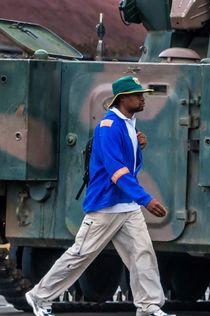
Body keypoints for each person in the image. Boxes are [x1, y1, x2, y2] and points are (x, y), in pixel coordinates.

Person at [24, 75, 172, 316]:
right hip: (106, 206)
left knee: (143, 255)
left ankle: (149, 307)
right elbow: (117, 171)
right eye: (137, 95)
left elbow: (130, 166)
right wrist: (146, 198)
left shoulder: (128, 124)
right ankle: (39, 297)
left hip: (127, 206)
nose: (143, 99)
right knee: (80, 255)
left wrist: (138, 145)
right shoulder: (109, 126)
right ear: (123, 99)